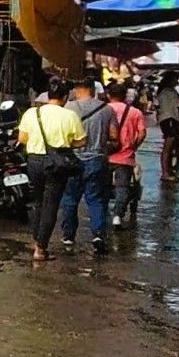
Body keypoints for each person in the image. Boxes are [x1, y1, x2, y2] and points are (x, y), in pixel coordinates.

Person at [18, 82, 85, 261]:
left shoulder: (32, 112)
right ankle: (40, 248)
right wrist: (63, 143)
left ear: (48, 95)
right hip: (57, 163)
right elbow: (80, 141)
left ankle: (36, 239)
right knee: (51, 204)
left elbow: (22, 138)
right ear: (65, 97)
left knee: (38, 201)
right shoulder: (70, 115)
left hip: (34, 160)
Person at [59, 81, 119, 256]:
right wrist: (101, 147)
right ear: (93, 90)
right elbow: (114, 138)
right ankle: (98, 235)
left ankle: (68, 235)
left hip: (72, 160)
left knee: (70, 198)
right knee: (96, 199)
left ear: (76, 90)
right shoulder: (107, 110)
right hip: (97, 160)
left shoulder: (68, 108)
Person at [105, 81, 147, 229]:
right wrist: (133, 146)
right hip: (125, 156)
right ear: (125, 96)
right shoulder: (135, 112)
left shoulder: (104, 109)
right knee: (122, 187)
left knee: (102, 185)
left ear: (109, 95)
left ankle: (101, 212)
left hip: (105, 154)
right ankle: (118, 215)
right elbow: (142, 133)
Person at [155, 72, 179, 181]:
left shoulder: (162, 91)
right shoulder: (169, 92)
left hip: (166, 119)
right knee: (168, 147)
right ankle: (165, 173)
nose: (177, 81)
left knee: (170, 147)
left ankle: (169, 170)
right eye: (176, 78)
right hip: (170, 119)